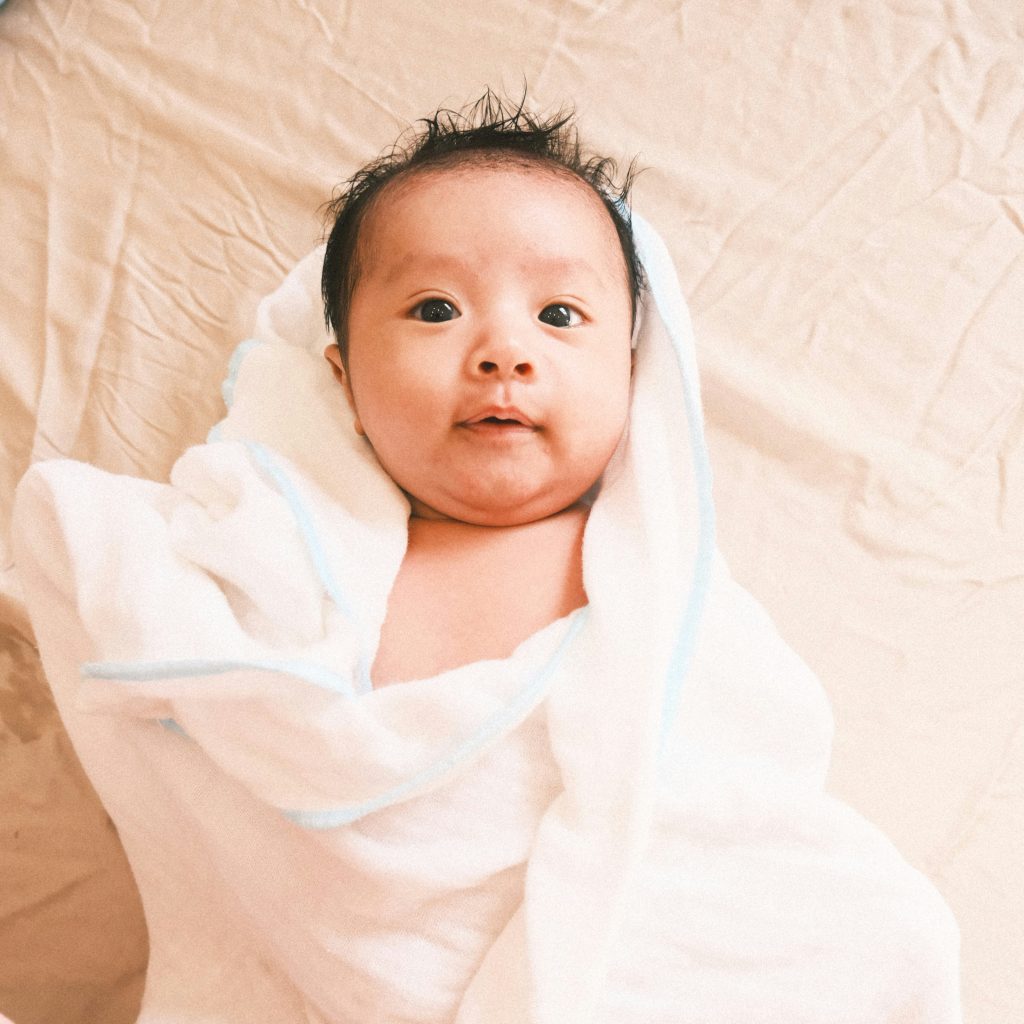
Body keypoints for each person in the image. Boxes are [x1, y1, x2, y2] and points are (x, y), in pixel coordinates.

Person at [12, 92, 963, 1023]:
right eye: (435, 309)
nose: (503, 350)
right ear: (344, 381)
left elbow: (746, 766)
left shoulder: (658, 586)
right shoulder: (296, 561)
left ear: (634, 373)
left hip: (613, 955)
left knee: (886, 928)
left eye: (559, 314)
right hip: (363, 960)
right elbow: (209, 687)